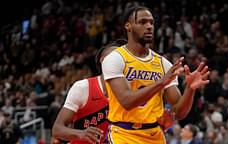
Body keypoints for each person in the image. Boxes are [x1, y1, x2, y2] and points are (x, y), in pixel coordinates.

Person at [102, 6, 210, 144]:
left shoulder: (163, 64)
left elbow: (178, 113)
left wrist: (190, 89)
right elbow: (127, 101)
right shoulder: (115, 58)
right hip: (123, 133)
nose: (149, 26)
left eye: (151, 23)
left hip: (154, 134)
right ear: (128, 26)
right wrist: (161, 82)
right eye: (142, 22)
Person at [52, 39, 127, 144]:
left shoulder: (130, 92)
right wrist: (80, 134)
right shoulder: (83, 88)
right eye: (116, 57)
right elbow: (57, 129)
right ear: (103, 60)